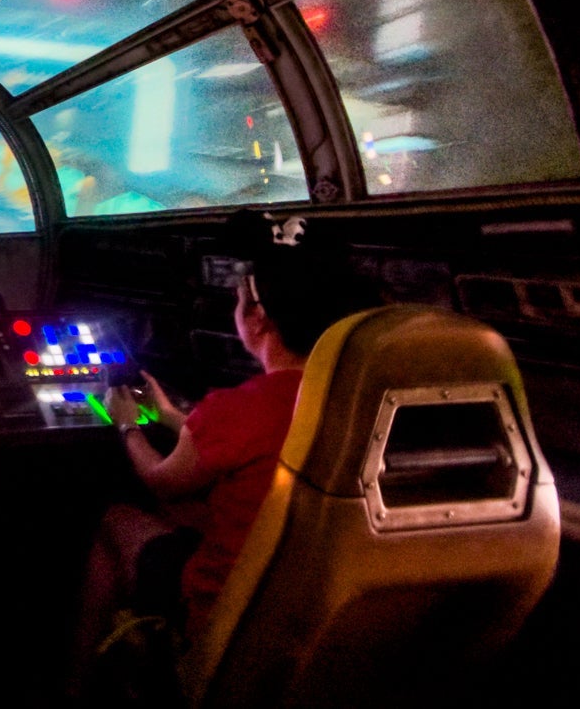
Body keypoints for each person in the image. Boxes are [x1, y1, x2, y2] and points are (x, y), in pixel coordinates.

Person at [72, 214, 373, 690]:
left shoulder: (240, 406)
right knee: (184, 513)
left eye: (238, 299)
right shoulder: (355, 395)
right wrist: (170, 416)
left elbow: (161, 480)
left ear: (258, 317)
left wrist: (126, 423)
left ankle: (80, 686)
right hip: (327, 604)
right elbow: (236, 443)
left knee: (117, 520)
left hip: (234, 607)